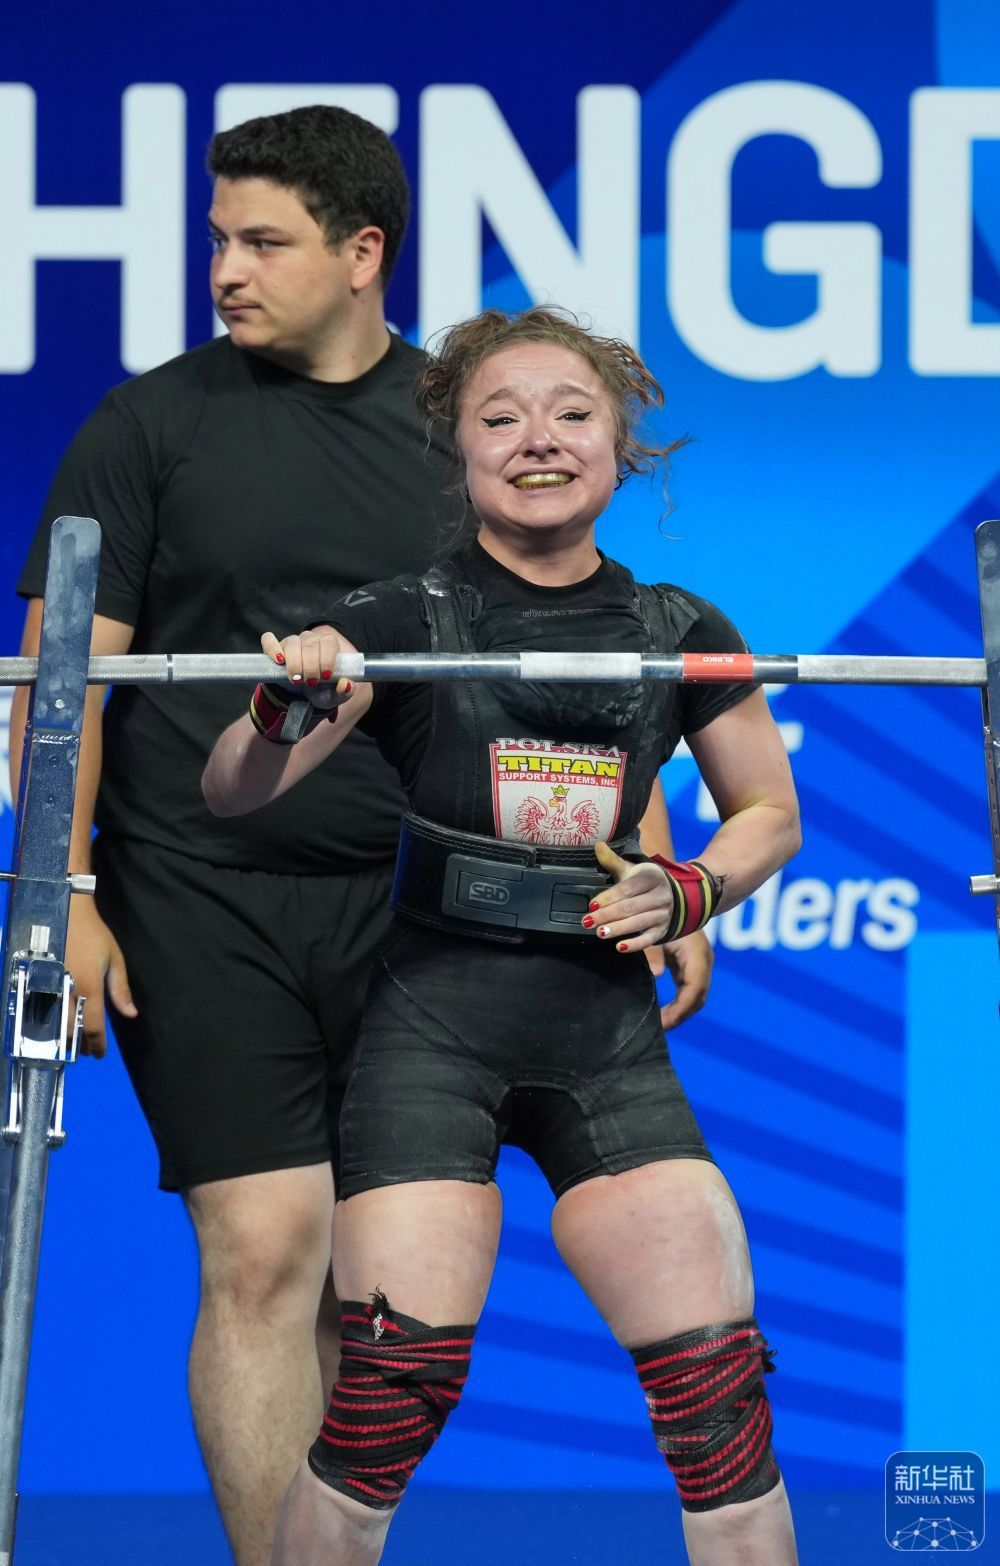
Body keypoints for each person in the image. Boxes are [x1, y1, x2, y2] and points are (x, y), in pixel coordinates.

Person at [10, 111, 711, 1564]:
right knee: (264, 1248)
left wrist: (649, 854)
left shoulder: (461, 430)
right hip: (198, 890)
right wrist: (58, 891)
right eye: (218, 239)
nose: (226, 268)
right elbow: (58, 682)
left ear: (361, 253)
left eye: (262, 241)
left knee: (368, 1288)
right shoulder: (148, 427)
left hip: (421, 907)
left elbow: (564, 647)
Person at [202, 307, 802, 1566]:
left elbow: (768, 814)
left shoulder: (683, 631)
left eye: (572, 414)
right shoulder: (392, 621)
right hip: (432, 1039)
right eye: (501, 417)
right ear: (460, 450)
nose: (540, 439)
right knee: (382, 1409)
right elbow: (235, 791)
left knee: (722, 1417)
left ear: (620, 445)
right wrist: (282, 703)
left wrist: (690, 890)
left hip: (607, 1046)